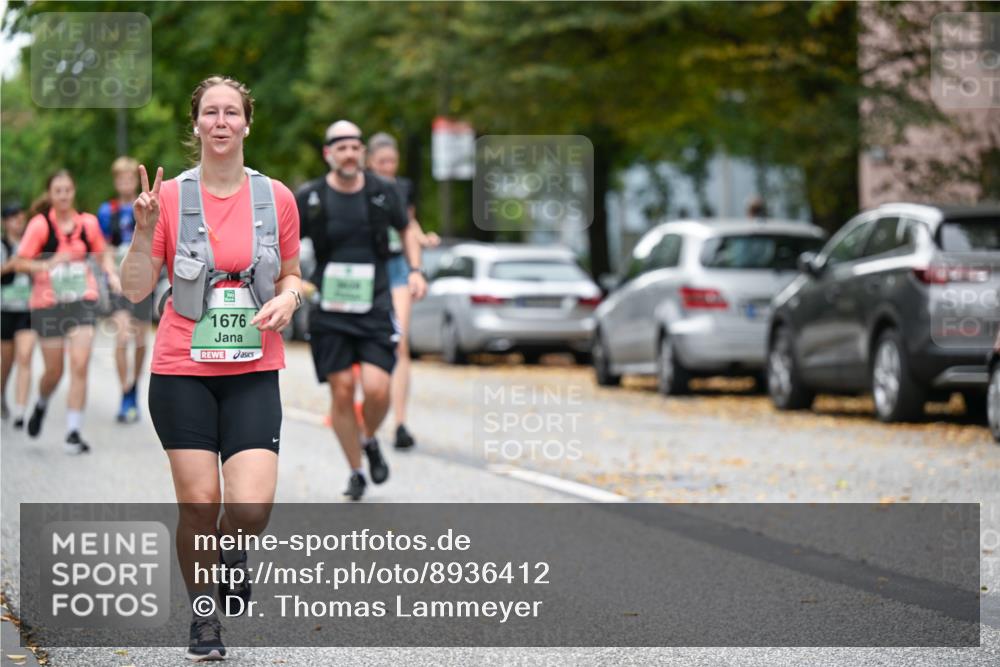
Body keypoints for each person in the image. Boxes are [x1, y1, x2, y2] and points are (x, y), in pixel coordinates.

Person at [120, 75, 302, 662]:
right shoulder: (170, 198)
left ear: (247, 123)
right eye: (210, 113)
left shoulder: (276, 197)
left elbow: (292, 272)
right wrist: (143, 230)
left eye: (231, 112)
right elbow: (135, 289)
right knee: (199, 502)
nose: (221, 122)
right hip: (182, 370)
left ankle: (231, 549)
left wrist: (290, 298)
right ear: (196, 124)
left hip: (252, 368)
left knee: (250, 509)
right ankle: (204, 619)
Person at [296, 120, 426, 501]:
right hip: (330, 307)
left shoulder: (383, 191)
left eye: (355, 147)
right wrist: (291, 279)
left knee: (377, 388)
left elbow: (407, 229)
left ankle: (368, 438)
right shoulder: (311, 197)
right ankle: (356, 470)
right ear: (328, 154)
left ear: (363, 152)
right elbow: (286, 240)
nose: (349, 154)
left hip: (375, 303)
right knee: (341, 391)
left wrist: (415, 270)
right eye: (342, 148)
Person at [12, 170, 119, 453]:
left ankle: (73, 432)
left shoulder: (87, 224)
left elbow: (103, 253)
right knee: (54, 371)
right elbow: (20, 262)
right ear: (50, 194)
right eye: (58, 191)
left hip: (82, 298)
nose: (63, 196)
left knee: (80, 363)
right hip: (48, 303)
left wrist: (110, 273)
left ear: (74, 191)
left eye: (68, 190)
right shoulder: (40, 226)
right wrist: (48, 264)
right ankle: (41, 402)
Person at [366, 132, 439, 450]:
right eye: (381, 161)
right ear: (370, 162)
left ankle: (400, 423)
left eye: (392, 161)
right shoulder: (361, 187)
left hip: (396, 268)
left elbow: (408, 225)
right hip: (368, 268)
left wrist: (422, 245)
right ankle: (366, 409)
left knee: (400, 342)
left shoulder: (402, 188)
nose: (387, 167)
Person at [97, 156, 150, 423]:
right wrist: (111, 275)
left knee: (140, 340)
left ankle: (134, 387)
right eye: (121, 178)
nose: (126, 182)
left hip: (143, 279)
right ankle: (124, 391)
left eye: (130, 177)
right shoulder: (108, 211)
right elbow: (104, 248)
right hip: (119, 281)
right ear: (116, 181)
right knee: (121, 337)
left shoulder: (147, 205)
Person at [1, 202, 36, 427]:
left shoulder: (32, 242)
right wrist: (12, 265)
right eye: (13, 218)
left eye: (21, 217)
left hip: (28, 308)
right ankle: (1, 392)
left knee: (25, 355)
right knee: (6, 361)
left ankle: (21, 411)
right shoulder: (2, 246)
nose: (18, 222)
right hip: (5, 309)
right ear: (5, 222)